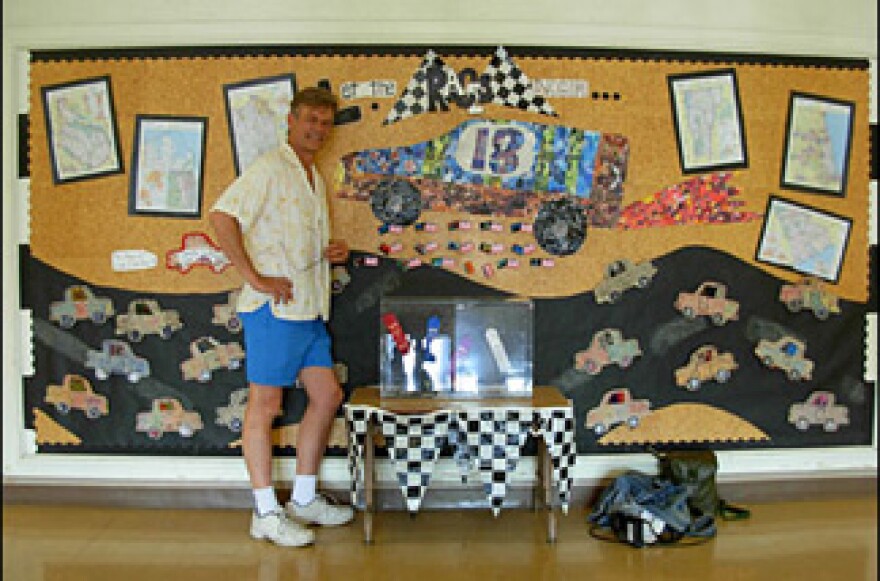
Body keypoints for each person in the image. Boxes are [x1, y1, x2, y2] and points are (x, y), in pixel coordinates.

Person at [209, 87, 353, 548]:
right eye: (309, 119)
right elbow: (221, 217)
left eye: (325, 122)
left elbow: (295, 240)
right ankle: (265, 513)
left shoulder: (314, 177)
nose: (317, 128)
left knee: (327, 395)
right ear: (291, 120)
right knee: (265, 406)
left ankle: (304, 499)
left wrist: (332, 252)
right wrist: (255, 276)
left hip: (310, 308)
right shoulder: (271, 167)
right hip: (273, 310)